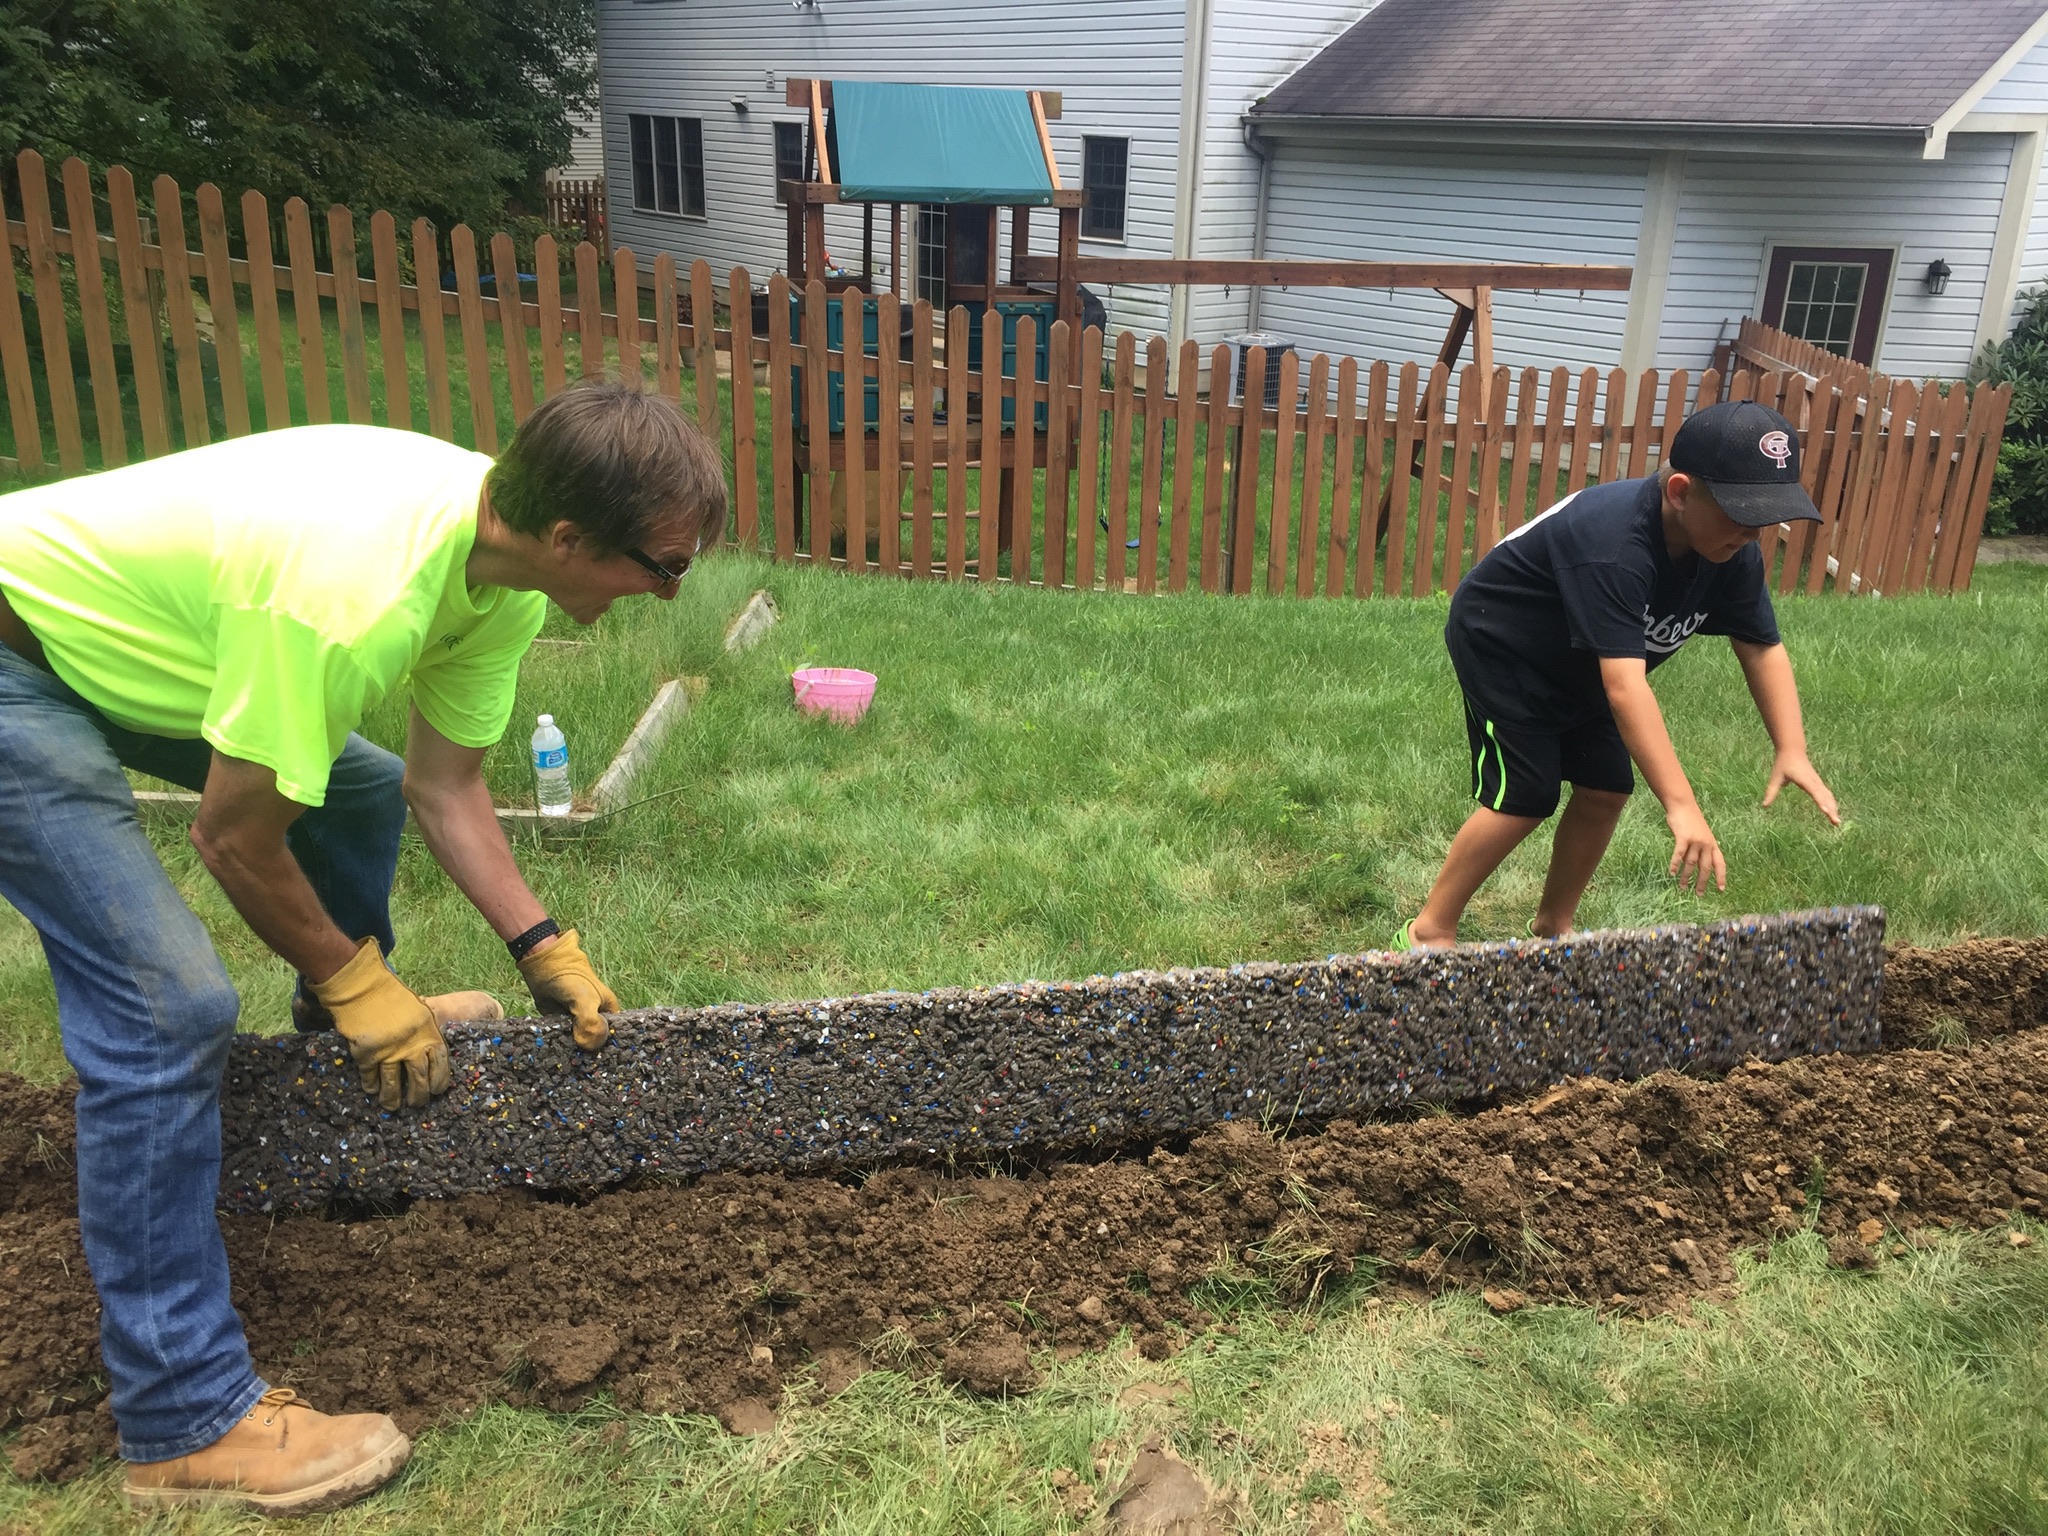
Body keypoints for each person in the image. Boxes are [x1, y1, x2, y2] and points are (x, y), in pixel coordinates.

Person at [0, 380, 726, 1515]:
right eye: (663, 566)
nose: (668, 591)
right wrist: (358, 976)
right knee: (165, 1010)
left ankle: (334, 1051)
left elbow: (448, 789)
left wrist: (542, 945)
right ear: (571, 537)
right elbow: (234, 839)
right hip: (15, 655)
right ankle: (181, 1419)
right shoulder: (353, 595)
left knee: (359, 792)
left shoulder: (497, 579)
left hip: (115, 637)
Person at [1398, 399, 1840, 951]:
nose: (1754, 534)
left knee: (1606, 788)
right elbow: (1626, 687)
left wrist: (1790, 746)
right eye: (1741, 513)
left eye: (1766, 517)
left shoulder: (1729, 551)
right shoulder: (1614, 545)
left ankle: (1553, 927)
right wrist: (1682, 807)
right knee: (1524, 796)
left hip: (1587, 656)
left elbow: (1761, 647)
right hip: (1507, 644)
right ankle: (1429, 930)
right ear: (1680, 493)